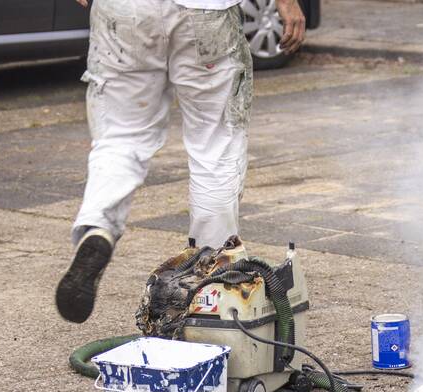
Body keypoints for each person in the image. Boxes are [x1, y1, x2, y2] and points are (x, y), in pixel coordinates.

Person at [56, 0, 306, 323]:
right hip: (205, 11)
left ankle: (98, 226)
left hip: (124, 10)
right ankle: (211, 284)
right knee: (213, 145)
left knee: (121, 136)